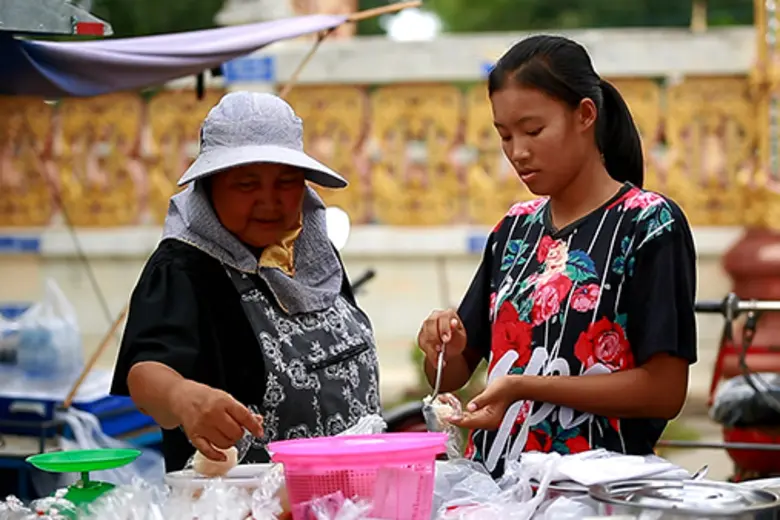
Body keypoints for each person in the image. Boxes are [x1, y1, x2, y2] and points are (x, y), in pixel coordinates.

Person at [417, 35, 697, 477]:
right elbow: (453, 373)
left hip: (597, 491)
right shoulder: (513, 230)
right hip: (497, 488)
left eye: (533, 131)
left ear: (585, 115)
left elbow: (664, 391)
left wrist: (526, 387)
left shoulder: (648, 224)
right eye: (505, 136)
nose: (518, 152)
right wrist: (438, 344)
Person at [111, 91, 381, 472]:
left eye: (286, 182)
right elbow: (145, 372)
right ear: (210, 186)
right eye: (246, 184)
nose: (269, 202)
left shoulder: (314, 250)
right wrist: (183, 395)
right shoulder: (184, 267)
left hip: (352, 498)